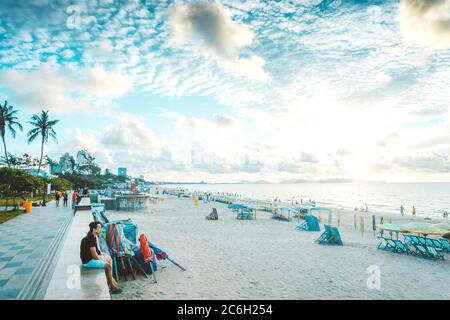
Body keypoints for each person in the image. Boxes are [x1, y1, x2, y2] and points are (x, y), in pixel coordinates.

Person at [80, 221, 122, 294]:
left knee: (109, 258)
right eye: (99, 228)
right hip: (88, 262)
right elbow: (94, 255)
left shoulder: (93, 236)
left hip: (91, 259)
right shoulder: (90, 239)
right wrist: (103, 260)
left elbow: (98, 252)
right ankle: (111, 286)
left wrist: (105, 255)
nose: (100, 229)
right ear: (94, 229)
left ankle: (111, 280)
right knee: (108, 266)